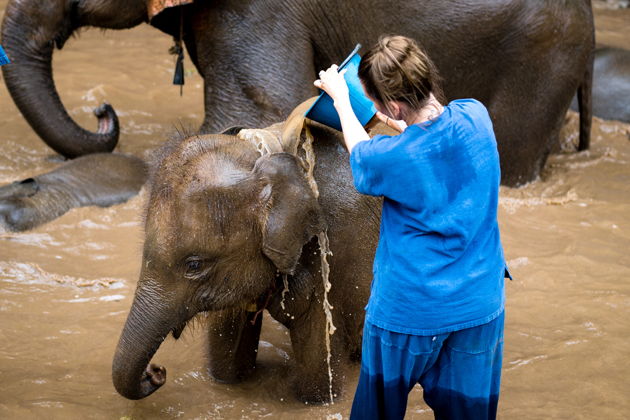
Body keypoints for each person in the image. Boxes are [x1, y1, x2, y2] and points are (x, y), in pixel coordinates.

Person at [314, 35, 508, 419]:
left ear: (395, 106)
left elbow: (363, 156)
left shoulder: (391, 159)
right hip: (480, 305)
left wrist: (340, 98)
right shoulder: (476, 115)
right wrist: (404, 125)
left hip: (409, 313)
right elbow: (438, 149)